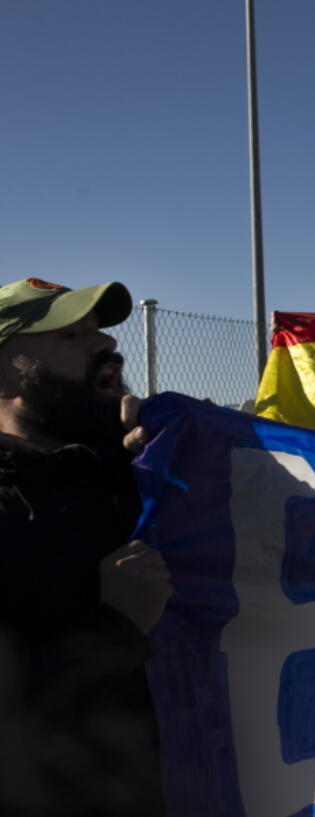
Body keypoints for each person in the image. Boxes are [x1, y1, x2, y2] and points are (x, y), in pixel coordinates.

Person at [0, 277, 171, 817]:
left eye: (100, 332)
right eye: (71, 336)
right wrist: (118, 625)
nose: (106, 345)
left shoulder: (110, 469)